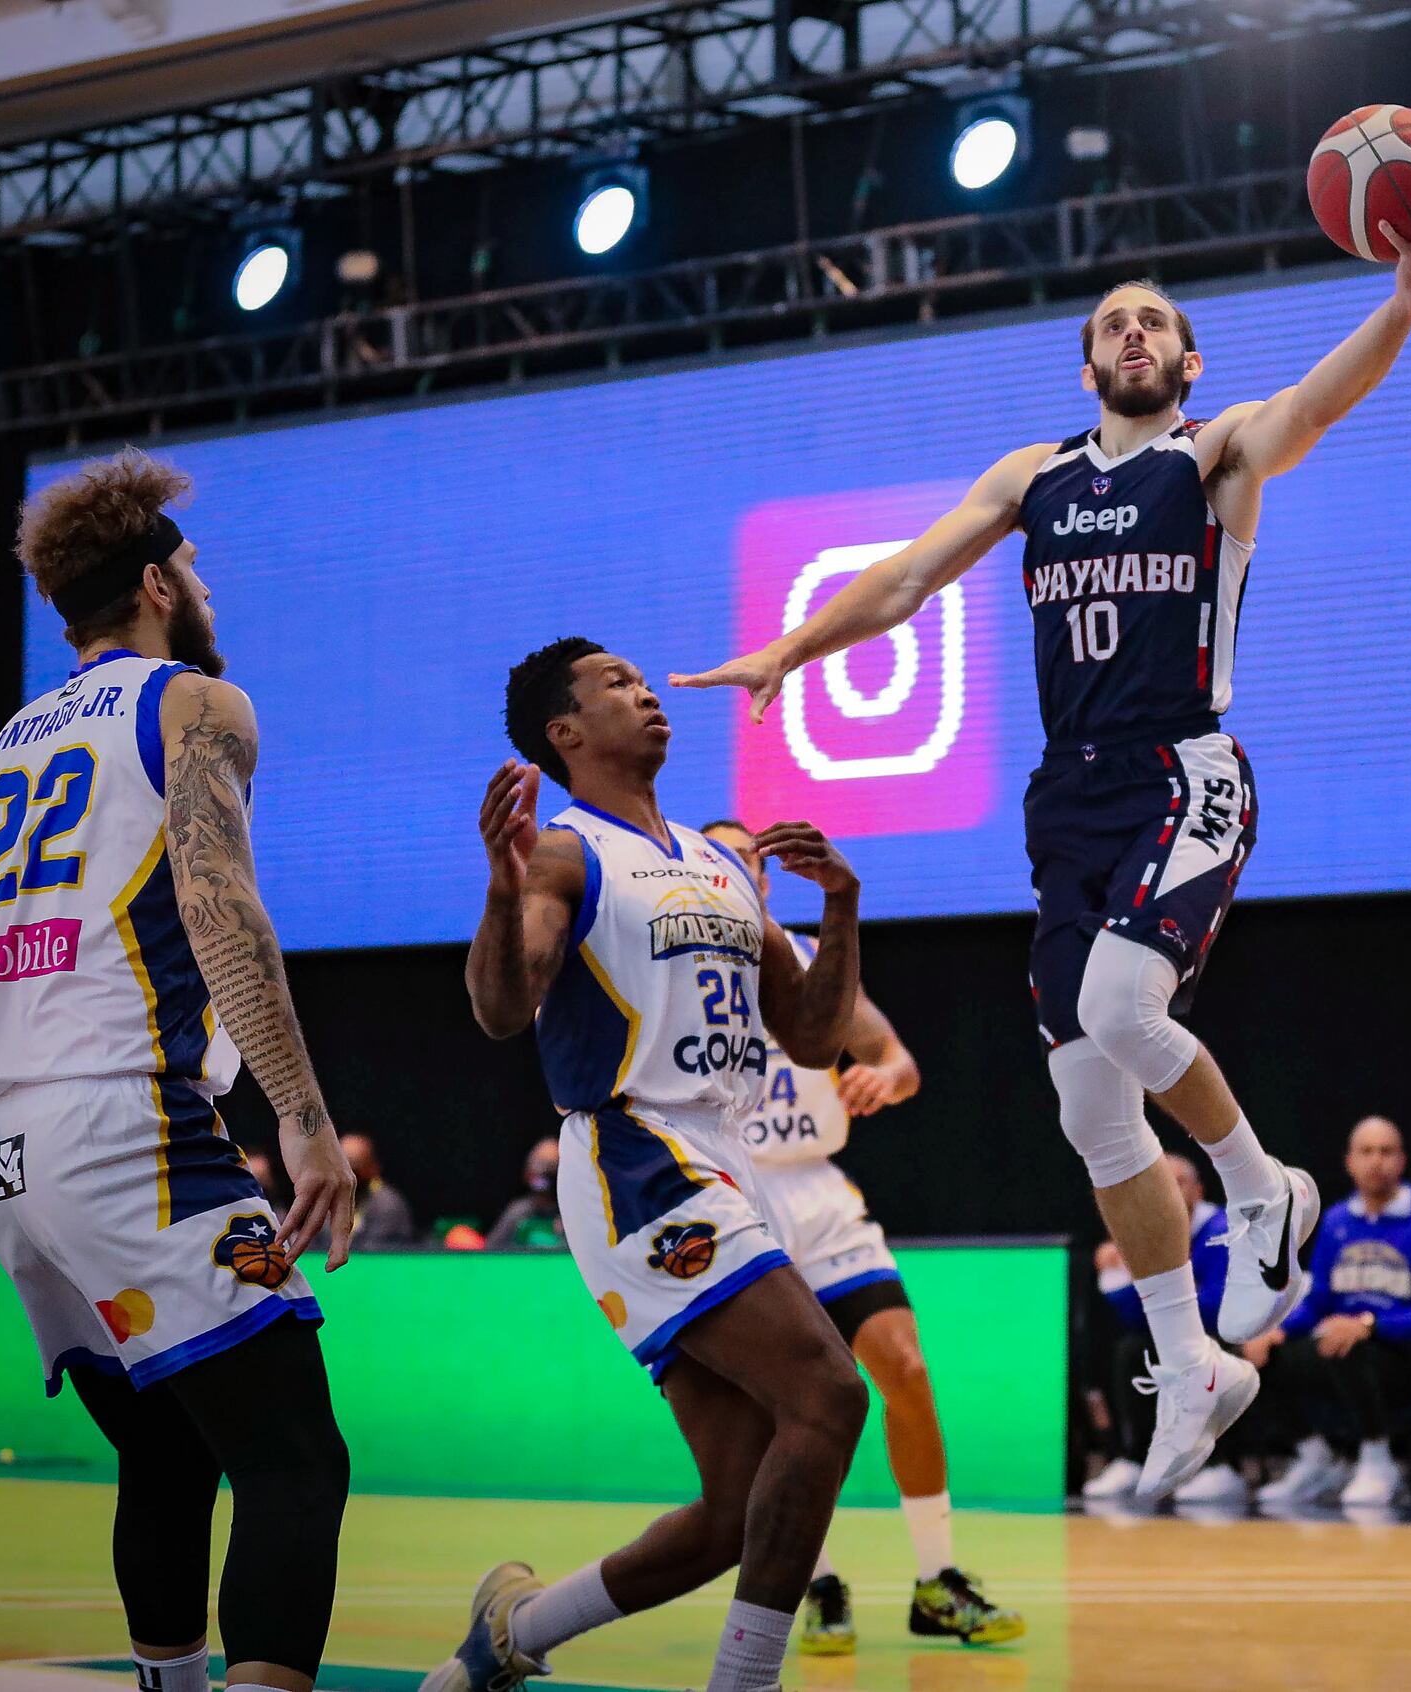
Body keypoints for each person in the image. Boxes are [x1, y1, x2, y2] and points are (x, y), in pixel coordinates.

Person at [670, 185, 1411, 1499]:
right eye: (1116, 321)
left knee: (1119, 1000)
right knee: (1089, 1100)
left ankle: (1264, 1186)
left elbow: (1320, 403)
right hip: (1071, 796)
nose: (1136, 333)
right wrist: (793, 647)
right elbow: (910, 575)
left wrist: (1403, 302)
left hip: (1183, 768)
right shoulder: (1034, 477)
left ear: (1189, 361)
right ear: (1089, 360)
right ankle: (1194, 1366)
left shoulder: (1214, 454)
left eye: (1158, 321)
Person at [0, 448, 359, 1692]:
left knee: (167, 1460)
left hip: (9, 1148)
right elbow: (225, 919)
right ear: (159, 583)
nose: (207, 588)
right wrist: (308, 1126)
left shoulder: (5, 747)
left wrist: (14, 1114)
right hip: (131, 1124)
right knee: (295, 1461)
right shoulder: (196, 703)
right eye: (198, 568)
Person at [431, 638, 871, 1692]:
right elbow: (500, 1010)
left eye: (642, 679)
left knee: (731, 1510)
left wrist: (843, 907)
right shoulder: (564, 854)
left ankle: (514, 1633)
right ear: (565, 734)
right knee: (829, 1392)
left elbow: (811, 1038)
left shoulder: (719, 863)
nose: (646, 693)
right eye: (616, 685)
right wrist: (500, 888)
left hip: (722, 1159)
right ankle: (746, 1682)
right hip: (634, 1154)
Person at [700, 819, 1023, 1655]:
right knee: (789, 1410)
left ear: (769, 880)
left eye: (754, 856)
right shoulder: (683, 961)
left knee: (905, 1369)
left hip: (820, 1194)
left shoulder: (809, 959)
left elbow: (897, 1057)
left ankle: (937, 1579)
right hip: (735, 1201)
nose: (746, 865)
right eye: (726, 853)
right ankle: (821, 1583)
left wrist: (888, 1074)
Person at [1248, 1117, 1411, 1509]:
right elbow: (1319, 1301)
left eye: (1386, 1151)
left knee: (1345, 1346)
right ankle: (1315, 1458)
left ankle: (1378, 1459)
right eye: (1366, 1151)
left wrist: (1367, 1325)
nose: (1376, 1161)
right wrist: (1276, 1331)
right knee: (1259, 1357)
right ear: (1349, 1162)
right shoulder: (1336, 1221)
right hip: (1342, 1345)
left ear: (1402, 1161)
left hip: (1408, 1356)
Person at [1086, 1154, 1235, 1505]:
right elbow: (1131, 1313)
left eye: (1178, 1181)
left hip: (1223, 1334)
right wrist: (1121, 1269)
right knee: (1130, 1350)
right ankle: (1135, 1458)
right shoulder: (1141, 1233)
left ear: (1198, 1190)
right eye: (1157, 1181)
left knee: (1204, 1354)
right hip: (1176, 1333)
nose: (1166, 1189)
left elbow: (1218, 1304)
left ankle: (1222, 1467)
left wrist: (1155, 1287)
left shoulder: (1220, 1229)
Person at [482, 1138, 564, 1250]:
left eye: (551, 1165)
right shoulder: (517, 1212)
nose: (543, 1171)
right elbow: (490, 1249)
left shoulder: (571, 1215)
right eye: (538, 1164)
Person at [338, 1133, 416, 1245]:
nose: (349, 1176)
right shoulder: (323, 1202)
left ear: (373, 1167)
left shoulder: (389, 1205)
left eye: (355, 1169)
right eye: (342, 1167)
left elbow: (377, 1252)